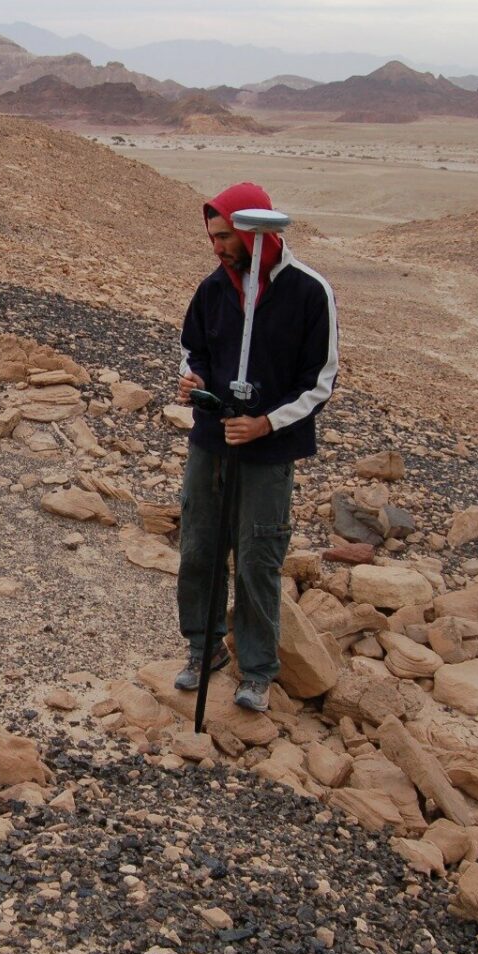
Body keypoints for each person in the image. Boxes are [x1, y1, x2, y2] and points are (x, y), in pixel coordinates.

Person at [173, 182, 339, 711]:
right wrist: (191, 378)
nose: (216, 246)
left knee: (257, 557)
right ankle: (203, 649)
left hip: (268, 452)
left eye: (224, 236)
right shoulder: (212, 290)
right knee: (199, 545)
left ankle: (258, 668)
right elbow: (190, 351)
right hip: (211, 441)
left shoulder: (310, 292)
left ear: (252, 232)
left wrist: (267, 424)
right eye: (212, 236)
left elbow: (320, 382)